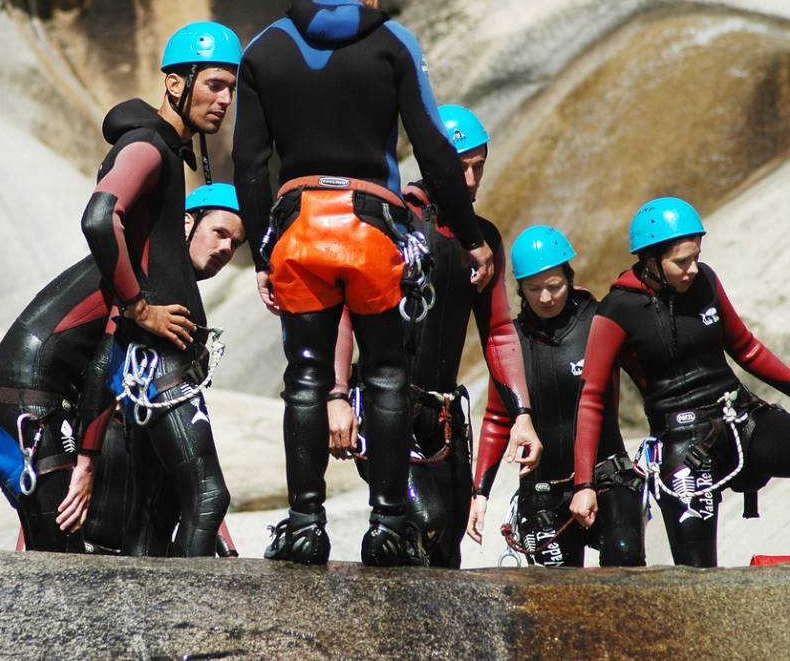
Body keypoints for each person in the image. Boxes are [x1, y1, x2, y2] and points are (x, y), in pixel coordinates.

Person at [233, 0, 538, 566]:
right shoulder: (393, 41)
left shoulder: (262, 49)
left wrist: (262, 254)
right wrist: (473, 239)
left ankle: (306, 521)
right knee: (388, 373)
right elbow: (431, 144)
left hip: (298, 224)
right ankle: (388, 522)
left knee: (308, 377)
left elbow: (248, 164)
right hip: (371, 226)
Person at [0, 184, 245, 554]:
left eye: (235, 243)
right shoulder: (148, 269)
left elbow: (176, 431)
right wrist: (85, 467)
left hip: (50, 399)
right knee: (59, 552)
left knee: (71, 542)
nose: (226, 249)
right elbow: (105, 364)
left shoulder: (166, 274)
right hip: (29, 396)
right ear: (186, 223)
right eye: (219, 233)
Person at [331, 104, 538, 568]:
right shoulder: (391, 219)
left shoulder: (483, 240)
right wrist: (337, 395)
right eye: (458, 166)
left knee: (446, 550)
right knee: (425, 519)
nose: (469, 180)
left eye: (478, 165)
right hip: (385, 403)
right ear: (429, 162)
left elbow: (500, 331)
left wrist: (521, 413)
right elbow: (342, 311)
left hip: (443, 412)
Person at [78, 21, 241, 557]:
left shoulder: (170, 150)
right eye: (214, 84)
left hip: (156, 363)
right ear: (176, 83)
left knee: (151, 516)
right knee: (207, 496)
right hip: (158, 361)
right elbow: (101, 218)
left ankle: (147, 636)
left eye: (231, 89)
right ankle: (186, 629)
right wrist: (140, 308)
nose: (224, 99)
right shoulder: (150, 145)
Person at [570, 197, 790, 567]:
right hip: (682, 443)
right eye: (680, 262)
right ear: (650, 261)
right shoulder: (616, 310)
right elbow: (591, 398)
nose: (692, 269)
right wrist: (583, 485)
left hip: (739, 418)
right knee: (697, 573)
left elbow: (747, 349)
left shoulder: (706, 281)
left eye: (696, 257)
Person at [468, 225, 645, 567]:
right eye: (534, 289)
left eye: (554, 286)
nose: (546, 298)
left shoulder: (599, 322)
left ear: (570, 277)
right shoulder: (511, 343)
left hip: (607, 476)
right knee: (555, 597)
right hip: (543, 490)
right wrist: (479, 494)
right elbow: (495, 417)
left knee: (624, 553)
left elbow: (648, 378)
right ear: (519, 288)